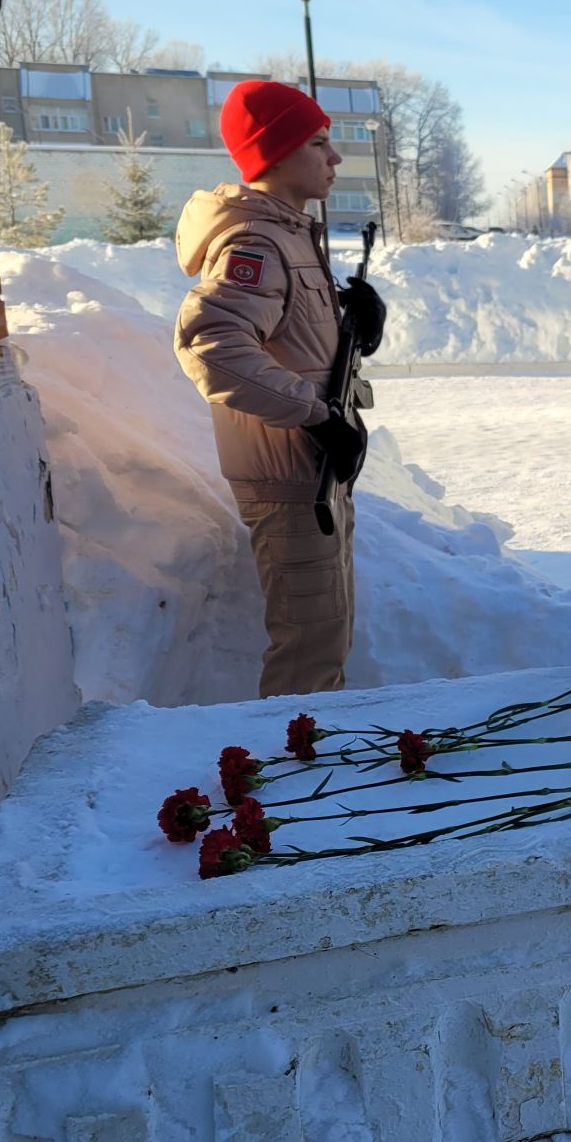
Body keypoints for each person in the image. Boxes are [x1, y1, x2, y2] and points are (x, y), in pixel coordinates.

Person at [173, 80, 385, 697]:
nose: (334, 157)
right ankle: (290, 784)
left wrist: (358, 326)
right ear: (275, 153)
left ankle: (310, 769)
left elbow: (292, 346)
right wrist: (316, 417)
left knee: (325, 640)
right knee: (306, 661)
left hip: (311, 473)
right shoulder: (257, 241)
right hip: (291, 477)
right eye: (319, 142)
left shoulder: (289, 234)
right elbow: (210, 347)